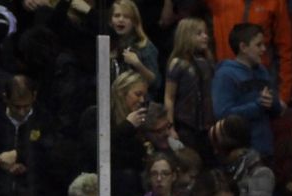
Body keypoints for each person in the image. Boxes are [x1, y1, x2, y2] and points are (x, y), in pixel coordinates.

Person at [211, 23, 283, 159]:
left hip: (265, 148)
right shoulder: (225, 74)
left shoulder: (262, 71)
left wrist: (272, 103)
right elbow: (223, 114)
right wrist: (257, 106)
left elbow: (276, 109)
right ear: (243, 47)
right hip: (241, 153)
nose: (263, 49)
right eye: (258, 45)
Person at [205, 0, 292, 106]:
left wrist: (284, 96)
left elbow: (285, 49)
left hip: (259, 83)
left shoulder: (275, 2)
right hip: (226, 81)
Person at [163, 17, 215, 159]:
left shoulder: (208, 62)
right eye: (199, 33)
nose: (205, 36)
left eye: (205, 33)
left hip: (207, 126)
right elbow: (169, 97)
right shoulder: (178, 63)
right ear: (186, 36)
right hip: (186, 125)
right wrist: (170, 127)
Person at [109, 0, 161, 98]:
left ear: (134, 22)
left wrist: (138, 64)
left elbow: (156, 83)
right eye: (117, 16)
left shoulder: (144, 46)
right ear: (111, 21)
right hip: (114, 103)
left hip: (139, 104)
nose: (121, 19)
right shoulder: (108, 45)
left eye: (126, 17)